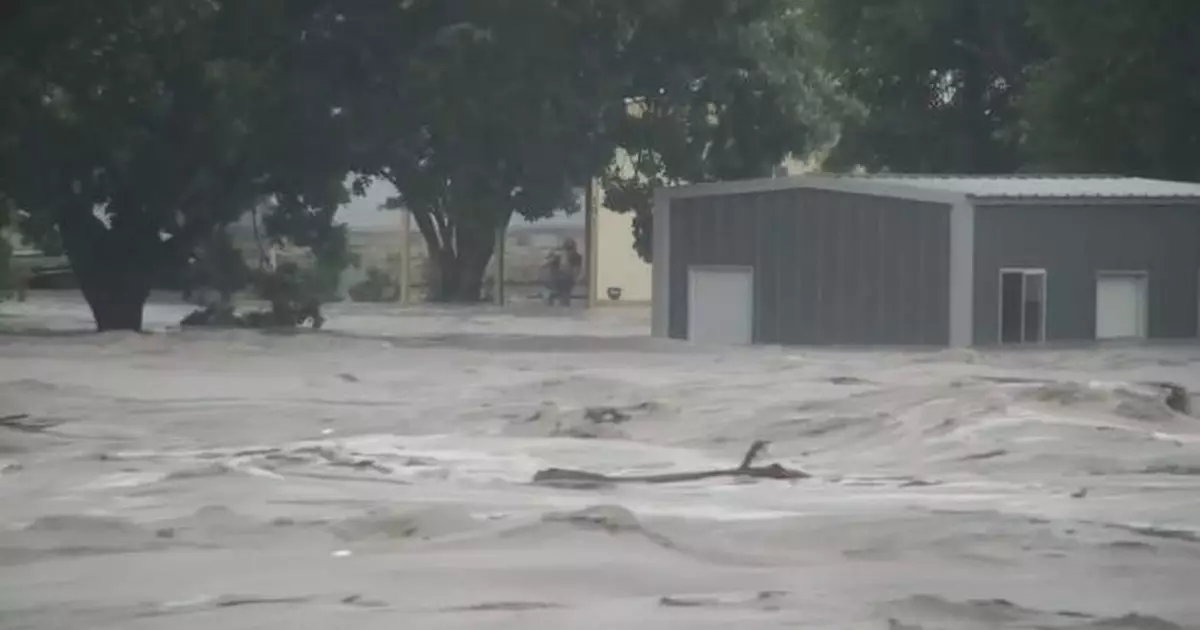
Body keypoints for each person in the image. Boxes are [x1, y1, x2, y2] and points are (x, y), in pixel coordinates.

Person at [557, 238, 583, 306]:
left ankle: (564, 304)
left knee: (565, 292)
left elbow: (576, 268)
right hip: (565, 276)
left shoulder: (573, 256)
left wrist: (575, 277)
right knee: (565, 292)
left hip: (566, 276)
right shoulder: (573, 255)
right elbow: (577, 268)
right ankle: (564, 304)